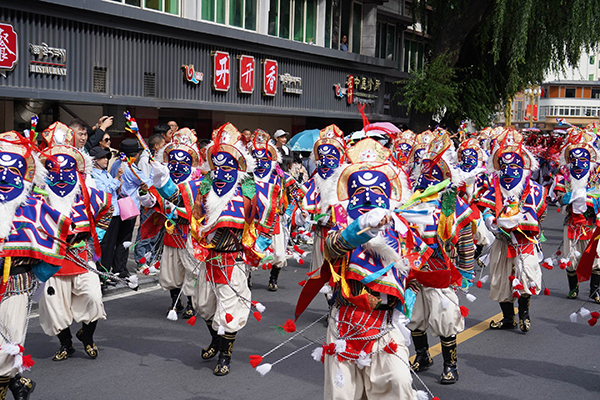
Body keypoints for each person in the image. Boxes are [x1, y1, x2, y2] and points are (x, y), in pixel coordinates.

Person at [302, 138, 428, 399]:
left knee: (399, 382)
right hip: (345, 323)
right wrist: (360, 228)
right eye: (358, 190)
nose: (368, 196)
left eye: (377, 190)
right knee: (343, 394)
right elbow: (331, 248)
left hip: (384, 324)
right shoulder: (340, 223)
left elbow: (415, 270)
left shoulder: (403, 229)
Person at [0, 131, 72, 400]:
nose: (5, 177)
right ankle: (18, 383)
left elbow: (55, 249)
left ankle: (13, 382)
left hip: (16, 285)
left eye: (13, 170)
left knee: (6, 351)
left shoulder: (35, 209)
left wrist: (37, 277)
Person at [37, 122, 112, 363]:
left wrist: (95, 237)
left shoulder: (86, 191)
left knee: (93, 296)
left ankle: (87, 336)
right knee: (54, 307)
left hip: (81, 255)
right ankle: (65, 344)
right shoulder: (39, 196)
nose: (60, 173)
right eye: (53, 167)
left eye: (67, 167)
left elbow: (107, 208)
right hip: (52, 259)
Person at [190, 123, 260, 376]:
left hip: (232, 260)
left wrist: (232, 217)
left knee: (228, 310)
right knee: (205, 306)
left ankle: (225, 356)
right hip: (209, 259)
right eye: (216, 165)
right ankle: (215, 340)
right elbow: (196, 213)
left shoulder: (247, 186)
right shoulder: (205, 184)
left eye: (228, 165)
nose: (221, 171)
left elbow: (253, 216)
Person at [407, 131, 476, 384]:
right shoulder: (411, 202)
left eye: (431, 173)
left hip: (440, 271)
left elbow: (466, 240)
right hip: (414, 272)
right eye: (423, 173)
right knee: (414, 319)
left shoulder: (451, 204)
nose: (425, 178)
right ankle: (423, 355)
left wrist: (466, 271)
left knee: (445, 319)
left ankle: (451, 364)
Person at [478, 128, 547, 332]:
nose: (508, 172)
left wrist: (525, 222)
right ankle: (508, 318)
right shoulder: (495, 188)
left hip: (525, 243)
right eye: (504, 166)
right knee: (500, 281)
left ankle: (524, 315)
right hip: (501, 242)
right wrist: (491, 220)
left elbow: (541, 214)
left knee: (527, 278)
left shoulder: (535, 190)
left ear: (523, 168)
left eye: (514, 166)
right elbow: (487, 210)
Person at [140, 128, 202, 317]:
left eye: (182, 162)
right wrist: (145, 194)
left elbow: (198, 212)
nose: (177, 166)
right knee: (170, 273)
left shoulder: (198, 184)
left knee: (192, 271)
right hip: (171, 235)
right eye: (173, 161)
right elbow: (153, 202)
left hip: (189, 234)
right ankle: (176, 301)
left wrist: (176, 210)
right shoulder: (164, 180)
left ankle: (192, 303)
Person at [552, 127, 600, 302]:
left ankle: (595, 291)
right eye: (574, 159)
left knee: (597, 258)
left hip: (593, 223)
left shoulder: (597, 175)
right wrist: (571, 196)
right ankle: (573, 288)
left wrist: (590, 201)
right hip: (572, 223)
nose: (578, 163)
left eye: (583, 159)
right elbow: (556, 198)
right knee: (570, 260)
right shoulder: (563, 175)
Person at [300, 125, 347, 277]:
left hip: (341, 237)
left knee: (340, 280)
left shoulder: (347, 182)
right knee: (319, 278)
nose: (325, 163)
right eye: (321, 159)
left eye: (331, 158)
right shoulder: (313, 182)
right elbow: (301, 208)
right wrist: (302, 216)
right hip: (321, 234)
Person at [105, 139, 152, 278]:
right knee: (124, 241)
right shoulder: (131, 168)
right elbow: (146, 182)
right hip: (128, 207)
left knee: (114, 239)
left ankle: (112, 268)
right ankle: (120, 269)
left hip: (116, 206)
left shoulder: (116, 164)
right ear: (136, 154)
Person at [248, 129, 287, 291]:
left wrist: (281, 207)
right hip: (253, 221)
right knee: (251, 250)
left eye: (264, 158)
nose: (260, 162)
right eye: (256, 158)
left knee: (278, 254)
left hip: (273, 220)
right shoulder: (248, 178)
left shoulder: (277, 177)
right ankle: (247, 276)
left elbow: (285, 197)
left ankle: (273, 278)